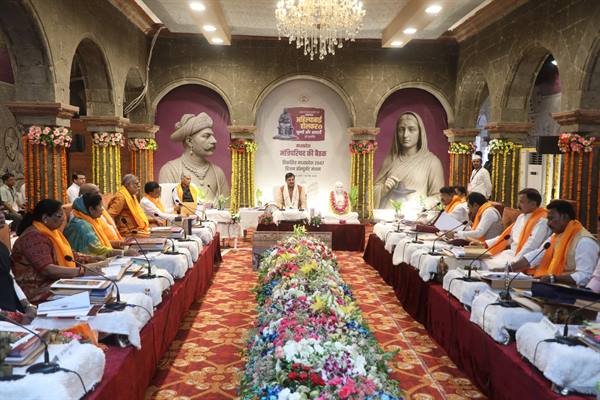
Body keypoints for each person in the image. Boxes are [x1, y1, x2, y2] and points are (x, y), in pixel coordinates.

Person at [11, 199, 101, 304]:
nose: (63, 219)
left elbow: (69, 256)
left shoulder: (52, 232)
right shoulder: (33, 237)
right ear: (45, 218)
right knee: (91, 294)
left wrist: (94, 259)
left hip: (54, 284)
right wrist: (81, 271)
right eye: (59, 216)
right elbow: (47, 269)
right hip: (37, 290)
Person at [509, 200, 599, 287]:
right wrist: (509, 268)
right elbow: (537, 255)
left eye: (551, 219)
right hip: (555, 286)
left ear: (565, 217)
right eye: (548, 219)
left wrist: (554, 278)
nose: (548, 223)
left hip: (574, 292)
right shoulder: (556, 236)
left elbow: (585, 276)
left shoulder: (584, 241)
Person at [373, 112, 444, 209]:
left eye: (411, 129)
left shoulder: (432, 162)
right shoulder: (390, 160)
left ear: (420, 133)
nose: (405, 135)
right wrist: (383, 190)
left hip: (416, 214)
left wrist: (420, 205)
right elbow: (370, 195)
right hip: (389, 214)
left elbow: (438, 197)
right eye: (401, 130)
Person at [158, 112, 229, 204]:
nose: (214, 140)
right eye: (206, 136)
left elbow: (226, 206)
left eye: (212, 136)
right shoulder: (170, 170)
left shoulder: (218, 173)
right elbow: (167, 206)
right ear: (189, 141)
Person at [484, 188, 551, 269]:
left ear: (533, 204)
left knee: (488, 267)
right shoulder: (521, 217)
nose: (518, 205)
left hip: (523, 260)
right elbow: (507, 237)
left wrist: (515, 264)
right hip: (510, 254)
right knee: (482, 261)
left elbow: (531, 245)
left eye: (521, 202)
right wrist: (485, 244)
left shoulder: (542, 220)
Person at [64, 193, 137, 257]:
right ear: (91, 209)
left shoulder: (90, 219)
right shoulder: (82, 226)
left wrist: (120, 243)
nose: (102, 209)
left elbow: (98, 243)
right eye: (100, 207)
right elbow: (97, 250)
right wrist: (123, 253)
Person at [0, 212, 36, 323]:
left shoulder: (2, 247)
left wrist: (27, 305)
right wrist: (5, 315)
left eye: (1, 210)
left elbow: (9, 277)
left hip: (11, 309)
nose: (1, 215)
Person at [79, 183, 124, 247]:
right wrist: (120, 246)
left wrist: (122, 243)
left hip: (116, 243)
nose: (100, 195)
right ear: (87, 196)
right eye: (96, 193)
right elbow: (96, 245)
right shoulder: (83, 218)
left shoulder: (98, 210)